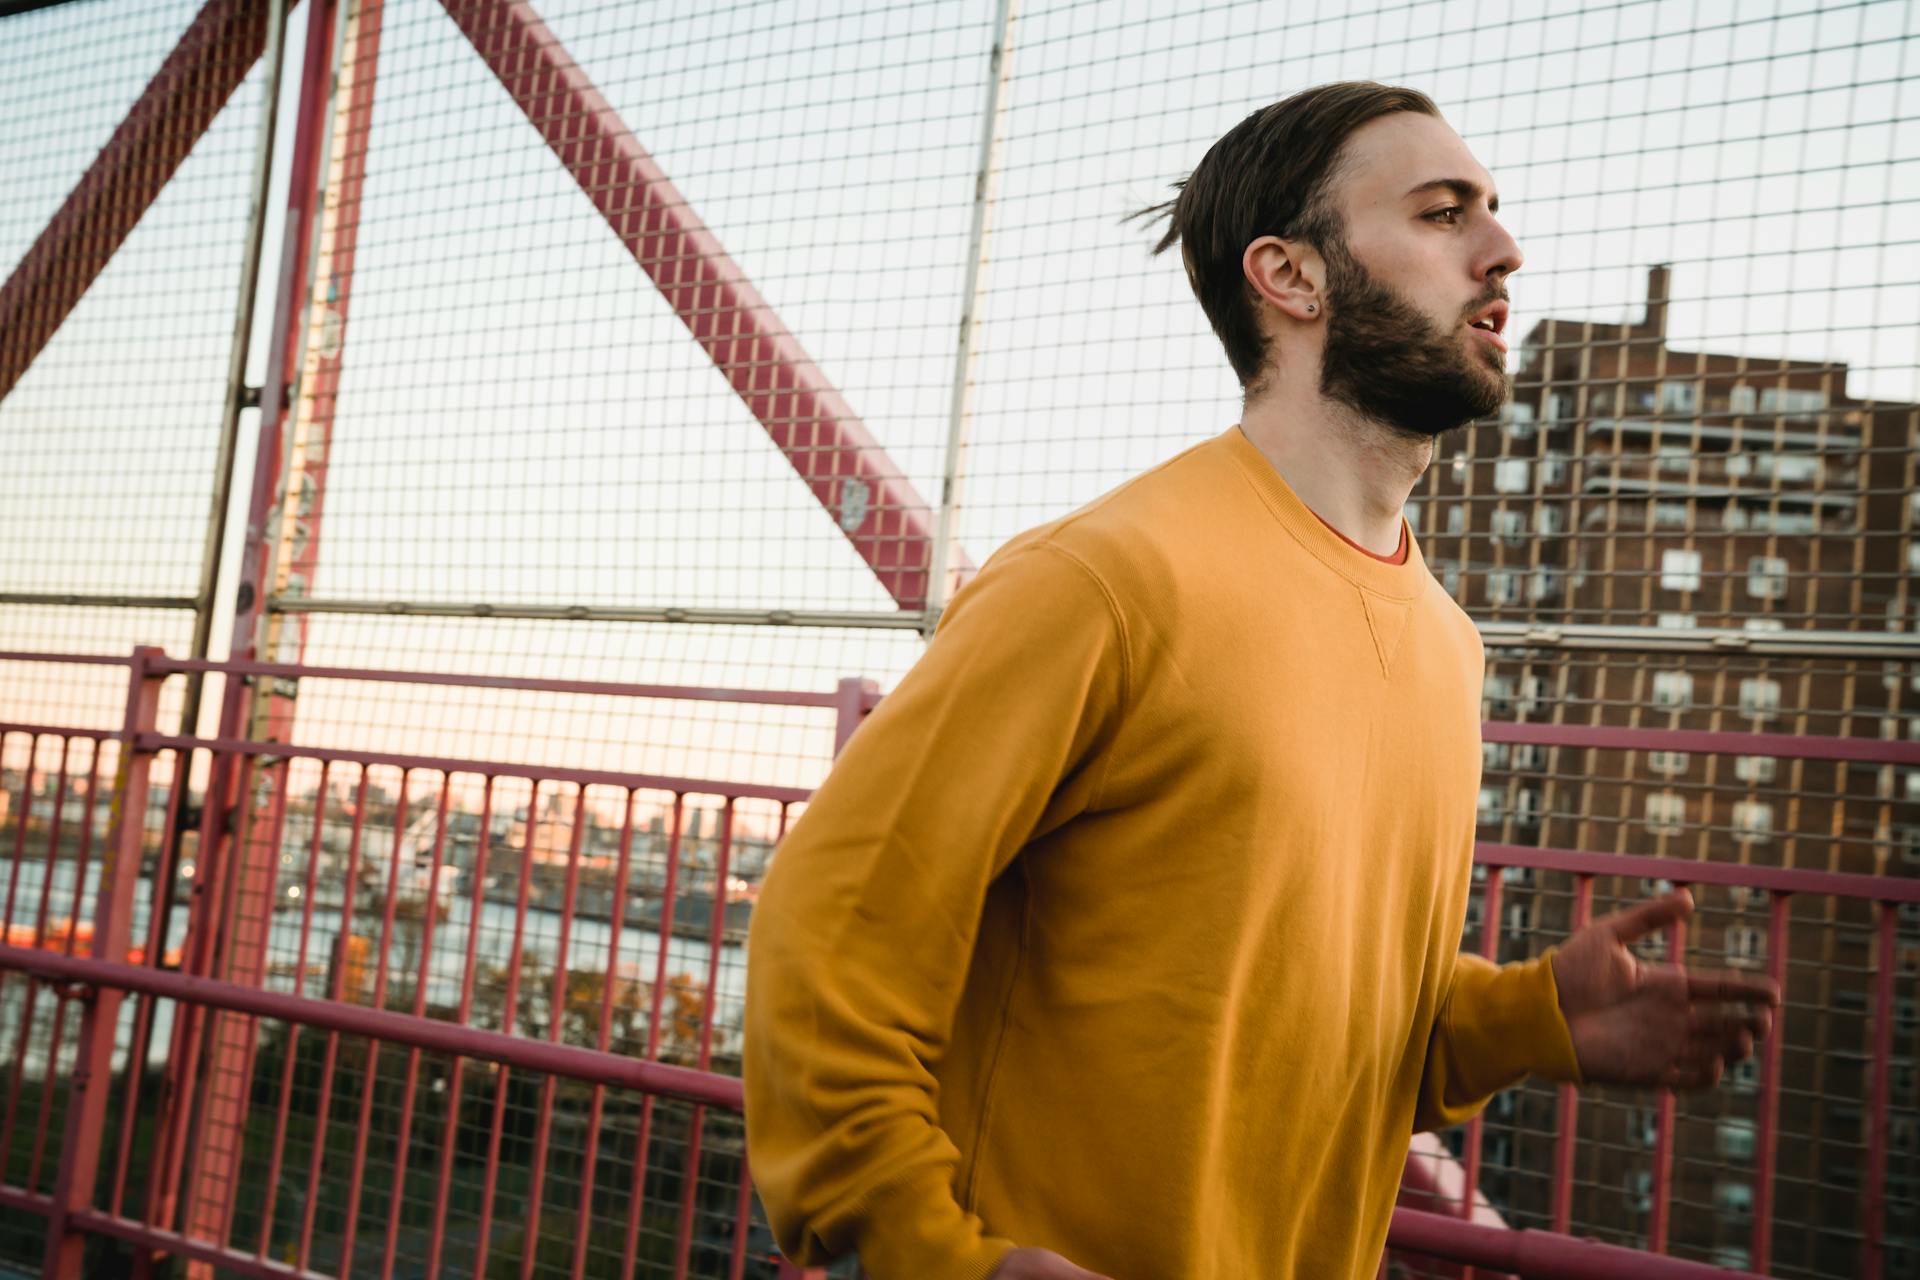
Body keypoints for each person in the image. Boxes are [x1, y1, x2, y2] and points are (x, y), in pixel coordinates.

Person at [742, 81, 1779, 1280]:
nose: (1505, 249)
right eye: (1445, 214)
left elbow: (1299, 1007)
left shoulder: (1447, 640)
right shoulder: (1106, 580)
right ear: (1291, 277)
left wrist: (1533, 1017)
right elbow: (825, 936)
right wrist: (932, 1249)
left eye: (1491, 211)